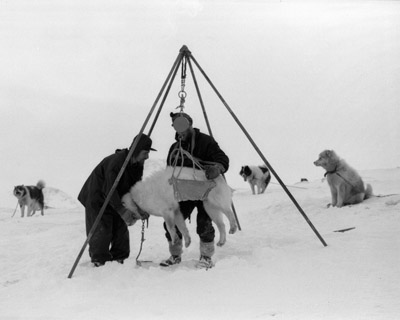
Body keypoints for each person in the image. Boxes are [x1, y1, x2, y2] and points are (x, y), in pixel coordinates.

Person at [160, 112, 229, 269]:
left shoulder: (205, 141)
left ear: (189, 124)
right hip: (184, 191)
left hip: (206, 190)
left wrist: (217, 167)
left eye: (182, 125)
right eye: (176, 126)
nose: (180, 131)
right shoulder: (175, 147)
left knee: (204, 222)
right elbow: (170, 169)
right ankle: (175, 254)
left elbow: (222, 158)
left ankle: (206, 256)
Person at [78, 134, 155, 267]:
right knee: (102, 228)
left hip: (116, 197)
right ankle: (99, 260)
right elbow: (109, 190)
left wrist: (139, 208)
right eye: (145, 153)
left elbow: (135, 189)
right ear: (136, 151)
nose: (147, 157)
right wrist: (122, 210)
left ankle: (120, 258)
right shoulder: (117, 163)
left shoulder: (137, 165)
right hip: (97, 197)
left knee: (120, 227)